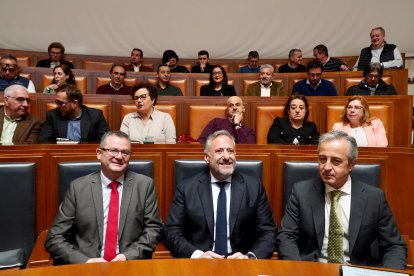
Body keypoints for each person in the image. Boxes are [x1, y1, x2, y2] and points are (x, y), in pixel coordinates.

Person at [276, 131, 406, 269]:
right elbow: (286, 237)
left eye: (336, 161)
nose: (326, 167)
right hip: (312, 269)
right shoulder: (301, 192)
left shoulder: (374, 198)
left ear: (351, 165)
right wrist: (298, 270)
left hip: (356, 270)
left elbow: (394, 246)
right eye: (322, 159)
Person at [45, 130, 163, 264]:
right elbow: (55, 237)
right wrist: (85, 261)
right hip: (87, 267)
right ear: (99, 154)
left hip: (129, 264)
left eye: (125, 152)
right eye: (113, 150)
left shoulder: (144, 185)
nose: (119, 157)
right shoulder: (78, 188)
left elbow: (154, 229)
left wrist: (128, 256)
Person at [163, 130, 277, 259]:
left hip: (241, 263)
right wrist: (197, 255)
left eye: (230, 151)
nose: (226, 156)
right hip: (200, 263)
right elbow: (171, 231)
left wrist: (250, 257)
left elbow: (268, 231)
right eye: (219, 151)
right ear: (206, 158)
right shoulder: (187, 187)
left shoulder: (254, 187)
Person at [38, 84, 110, 143]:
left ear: (75, 103)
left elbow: (106, 141)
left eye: (61, 103)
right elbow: (43, 141)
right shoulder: (53, 115)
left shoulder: (95, 115)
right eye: (56, 102)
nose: (57, 106)